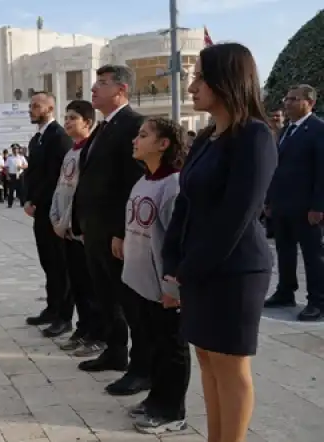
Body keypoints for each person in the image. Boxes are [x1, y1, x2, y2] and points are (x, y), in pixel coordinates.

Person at [162, 43, 278, 442]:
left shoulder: (255, 138)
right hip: (198, 267)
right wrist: (171, 261)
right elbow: (185, 203)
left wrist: (188, 270)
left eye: (199, 77)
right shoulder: (207, 136)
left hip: (235, 269)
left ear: (225, 81)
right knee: (207, 360)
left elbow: (236, 216)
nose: (192, 86)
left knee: (231, 367)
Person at [72, 65, 150, 398]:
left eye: (102, 84)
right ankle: (115, 350)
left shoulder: (134, 125)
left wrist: (121, 231)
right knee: (105, 295)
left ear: (121, 89)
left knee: (129, 302)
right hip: (95, 230)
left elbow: (132, 184)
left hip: (115, 232)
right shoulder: (104, 127)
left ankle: (142, 367)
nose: (93, 88)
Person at [123, 117, 190, 435]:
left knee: (171, 347)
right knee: (153, 343)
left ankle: (172, 410)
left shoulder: (174, 184)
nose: (136, 140)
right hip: (140, 282)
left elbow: (177, 240)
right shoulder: (144, 180)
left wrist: (172, 286)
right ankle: (156, 398)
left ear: (164, 144)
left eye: (143, 135)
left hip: (164, 286)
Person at [264, 84, 324, 321]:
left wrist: (319, 206)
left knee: (312, 255)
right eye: (286, 98)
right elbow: (278, 168)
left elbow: (322, 171)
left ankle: (318, 300)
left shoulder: (318, 130)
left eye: (293, 99)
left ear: (309, 103)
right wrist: (269, 200)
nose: (286, 103)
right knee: (284, 250)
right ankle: (285, 291)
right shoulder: (288, 130)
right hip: (283, 204)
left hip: (306, 207)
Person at [23, 91, 75, 338]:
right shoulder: (37, 139)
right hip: (39, 210)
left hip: (53, 211)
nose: (31, 109)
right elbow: (32, 174)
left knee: (60, 264)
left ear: (50, 107)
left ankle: (64, 316)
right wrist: (27, 199)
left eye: (36, 105)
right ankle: (52, 308)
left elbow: (58, 177)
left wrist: (42, 202)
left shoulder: (59, 137)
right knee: (47, 262)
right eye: (31, 105)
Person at [49, 100, 95, 352]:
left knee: (90, 288)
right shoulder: (71, 152)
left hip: (80, 230)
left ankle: (95, 334)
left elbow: (82, 193)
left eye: (73, 118)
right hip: (64, 228)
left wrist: (67, 221)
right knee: (76, 283)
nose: (67, 122)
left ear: (87, 122)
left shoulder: (91, 151)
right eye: (65, 117)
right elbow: (61, 188)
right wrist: (55, 218)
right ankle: (83, 329)